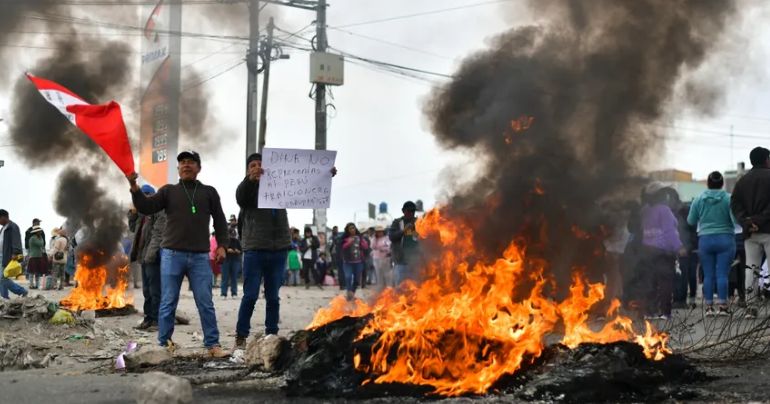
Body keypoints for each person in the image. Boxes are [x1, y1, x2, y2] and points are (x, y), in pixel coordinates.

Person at [127, 150, 229, 358]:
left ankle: (213, 344)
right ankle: (164, 344)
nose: (186, 165)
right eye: (182, 162)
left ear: (198, 168)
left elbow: (220, 220)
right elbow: (146, 206)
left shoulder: (209, 192)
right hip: (172, 254)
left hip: (200, 256)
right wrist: (134, 187)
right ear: (178, 168)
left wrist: (222, 245)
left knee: (205, 301)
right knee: (168, 301)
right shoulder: (168, 191)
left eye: (191, 162)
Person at [234, 153, 292, 348]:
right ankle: (241, 336)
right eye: (253, 165)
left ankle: (272, 335)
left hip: (279, 250)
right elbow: (241, 197)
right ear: (248, 169)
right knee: (250, 295)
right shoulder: (247, 189)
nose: (257, 167)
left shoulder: (281, 184)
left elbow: (305, 187)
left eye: (260, 164)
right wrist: (251, 180)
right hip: (255, 250)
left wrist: (324, 175)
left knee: (273, 296)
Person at [687, 172, 737, 316]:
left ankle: (708, 307)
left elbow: (691, 221)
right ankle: (722, 306)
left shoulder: (698, 199)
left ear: (708, 183)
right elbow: (734, 220)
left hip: (705, 240)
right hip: (725, 239)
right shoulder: (728, 198)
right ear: (722, 184)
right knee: (722, 274)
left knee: (708, 275)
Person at [731, 147, 770, 318]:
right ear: (766, 159)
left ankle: (751, 307)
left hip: (749, 233)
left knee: (751, 269)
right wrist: (760, 220)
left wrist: (746, 221)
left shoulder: (742, 181)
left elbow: (735, 205)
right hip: (768, 229)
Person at [639, 182, 684, 320]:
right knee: (665, 281)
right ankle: (665, 312)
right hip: (663, 252)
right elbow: (669, 232)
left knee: (650, 281)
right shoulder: (664, 210)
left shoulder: (645, 210)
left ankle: (649, 311)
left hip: (647, 249)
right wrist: (679, 247)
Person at [128, 184, 167, 330]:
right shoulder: (142, 214)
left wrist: (150, 256)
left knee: (155, 290)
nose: (143, 198)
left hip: (154, 257)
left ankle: (157, 320)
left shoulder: (159, 211)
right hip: (143, 257)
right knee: (146, 291)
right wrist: (132, 214)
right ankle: (148, 318)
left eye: (146, 195)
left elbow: (158, 235)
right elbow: (133, 229)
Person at [389, 201, 421, 285]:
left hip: (416, 261)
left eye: (413, 211)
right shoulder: (397, 222)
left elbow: (424, 238)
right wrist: (404, 231)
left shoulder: (419, 222)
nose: (411, 213)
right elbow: (391, 237)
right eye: (409, 211)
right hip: (401, 261)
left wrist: (416, 231)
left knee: (416, 287)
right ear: (403, 211)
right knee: (400, 287)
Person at [0, 209, 28, 299]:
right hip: (2, 255)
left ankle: (22, 291)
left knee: (3, 278)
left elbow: (16, 240)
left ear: (4, 217)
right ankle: (4, 297)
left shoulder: (13, 226)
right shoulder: (3, 228)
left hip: (8, 256)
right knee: (2, 278)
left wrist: (15, 252)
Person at [341, 222, 369, 301]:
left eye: (353, 228)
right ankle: (349, 292)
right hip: (347, 262)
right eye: (350, 228)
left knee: (356, 280)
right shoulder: (344, 239)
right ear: (348, 230)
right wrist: (350, 242)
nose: (352, 230)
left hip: (359, 262)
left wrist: (362, 240)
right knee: (348, 277)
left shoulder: (359, 238)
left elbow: (366, 247)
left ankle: (352, 293)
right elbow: (343, 247)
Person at [221, 227, 242, 298]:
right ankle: (223, 293)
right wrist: (227, 250)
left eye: (233, 234)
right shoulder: (224, 241)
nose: (232, 236)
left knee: (234, 278)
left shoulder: (237, 241)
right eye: (230, 234)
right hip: (226, 260)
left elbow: (241, 251)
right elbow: (221, 249)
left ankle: (234, 293)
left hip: (235, 260)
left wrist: (237, 251)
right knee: (225, 278)